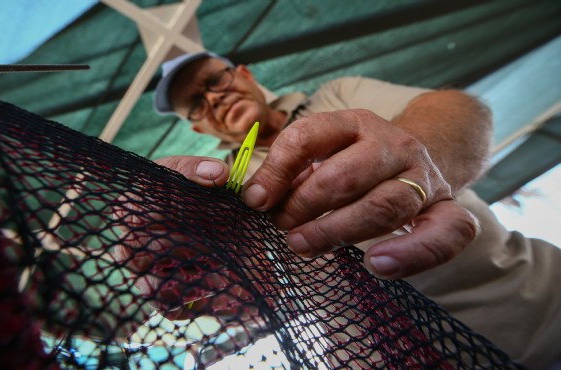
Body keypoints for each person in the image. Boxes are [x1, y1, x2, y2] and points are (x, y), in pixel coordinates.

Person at [147, 52, 560, 369]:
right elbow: (248, 284)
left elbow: (456, 110)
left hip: (545, 308)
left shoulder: (337, 96)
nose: (214, 98)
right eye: (197, 104)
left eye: (214, 80)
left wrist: (410, 162)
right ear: (199, 129)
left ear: (245, 74)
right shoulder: (220, 188)